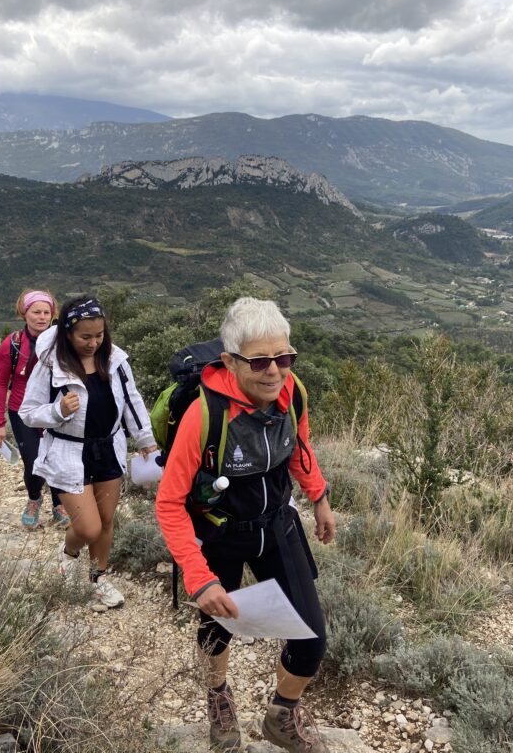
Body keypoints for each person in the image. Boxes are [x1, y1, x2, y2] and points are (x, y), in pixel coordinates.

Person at [155, 297, 336, 753]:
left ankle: (281, 714)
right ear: (232, 361)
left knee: (311, 638)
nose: (274, 371)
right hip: (221, 532)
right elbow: (170, 503)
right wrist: (200, 579)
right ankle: (218, 695)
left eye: (284, 357)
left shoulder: (292, 392)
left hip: (278, 525)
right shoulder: (204, 415)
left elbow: (300, 447)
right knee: (217, 627)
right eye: (259, 361)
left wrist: (319, 497)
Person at [18, 295, 157, 608]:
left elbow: (132, 401)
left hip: (109, 448)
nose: (94, 343)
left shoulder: (116, 361)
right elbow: (28, 411)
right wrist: (57, 411)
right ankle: (68, 554)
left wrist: (145, 438)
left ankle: (98, 579)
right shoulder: (51, 364)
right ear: (68, 333)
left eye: (99, 335)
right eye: (85, 337)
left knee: (107, 521)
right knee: (88, 526)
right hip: (69, 453)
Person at [0, 289, 68, 529]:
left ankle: (59, 504)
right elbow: (0, 382)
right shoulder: (12, 345)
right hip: (21, 412)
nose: (42, 317)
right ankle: (34, 499)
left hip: (56, 410)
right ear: (25, 314)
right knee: (33, 461)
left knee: (58, 459)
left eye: (47, 312)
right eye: (36, 312)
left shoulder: (62, 343)